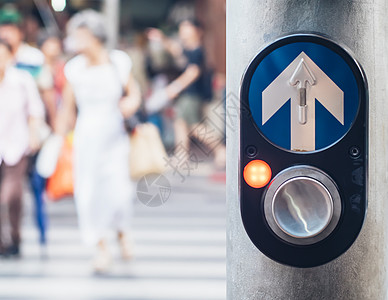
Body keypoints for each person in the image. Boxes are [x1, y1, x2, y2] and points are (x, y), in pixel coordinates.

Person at [56, 10, 141, 272]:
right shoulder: (74, 68)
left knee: (120, 192)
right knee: (89, 194)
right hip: (87, 138)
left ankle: (123, 232)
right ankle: (101, 247)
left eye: (80, 34)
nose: (75, 40)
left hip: (115, 136)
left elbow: (134, 92)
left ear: (94, 37)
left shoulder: (118, 61)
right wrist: (58, 142)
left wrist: (130, 103)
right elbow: (66, 109)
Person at [0, 5, 49, 248]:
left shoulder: (29, 67)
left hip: (18, 142)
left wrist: (37, 134)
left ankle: (16, 235)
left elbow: (42, 103)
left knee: (13, 194)